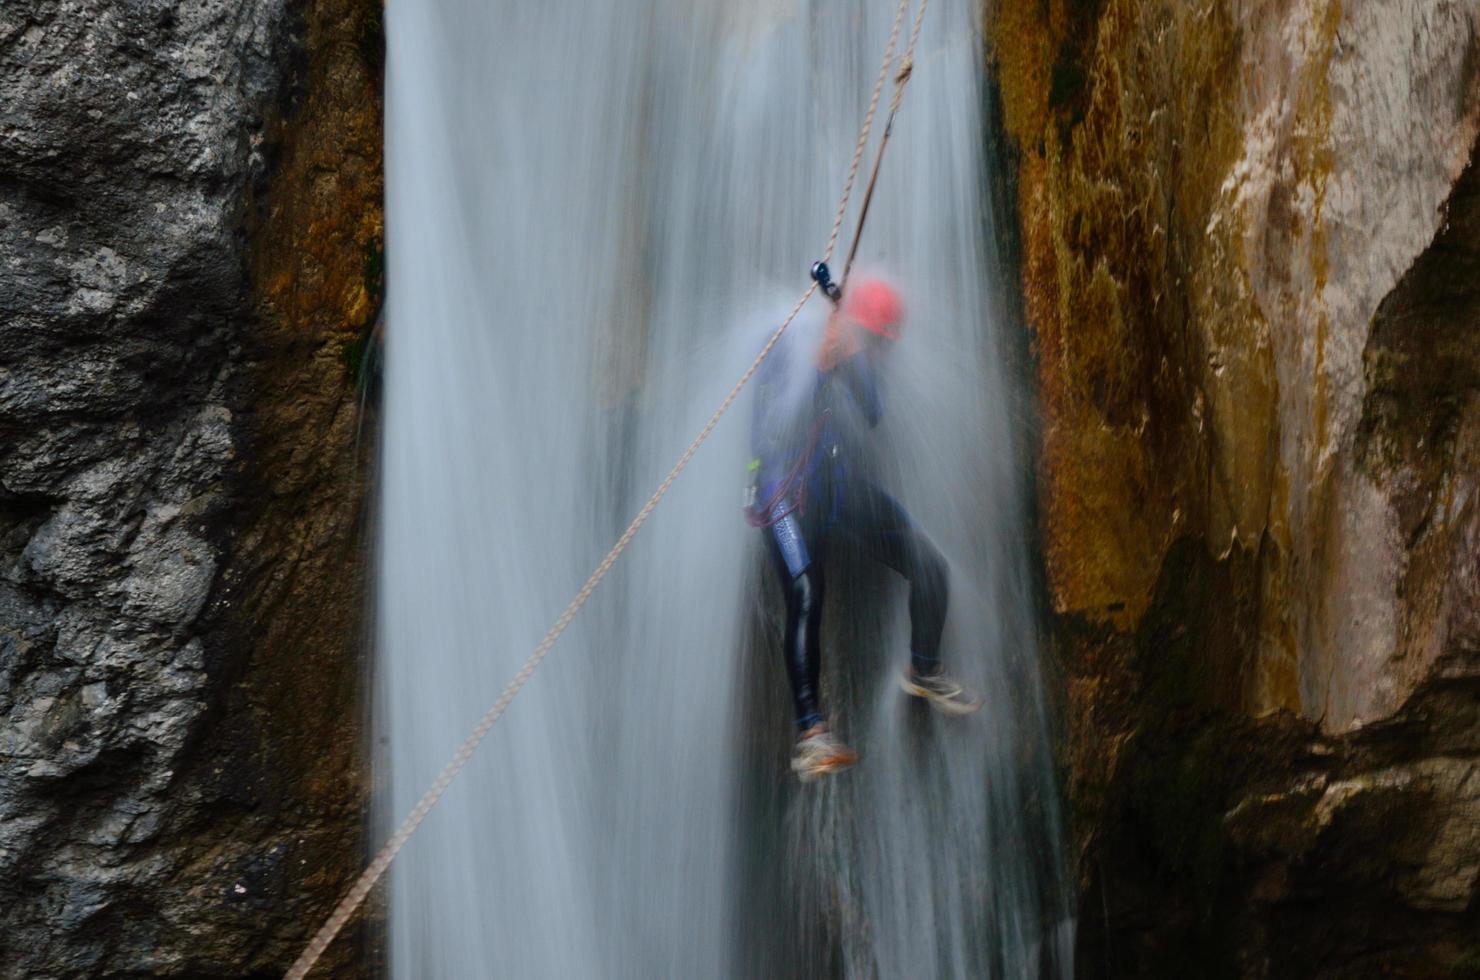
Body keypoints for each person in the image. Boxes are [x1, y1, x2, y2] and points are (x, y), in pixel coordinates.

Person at [747, 273, 982, 783]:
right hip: (781, 495)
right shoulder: (786, 339)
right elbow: (769, 430)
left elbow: (872, 412)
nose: (882, 352)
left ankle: (924, 670)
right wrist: (815, 368)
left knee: (929, 564)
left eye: (883, 345)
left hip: (835, 487)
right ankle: (811, 736)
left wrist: (851, 356)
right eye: (878, 341)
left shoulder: (852, 345)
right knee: (807, 589)